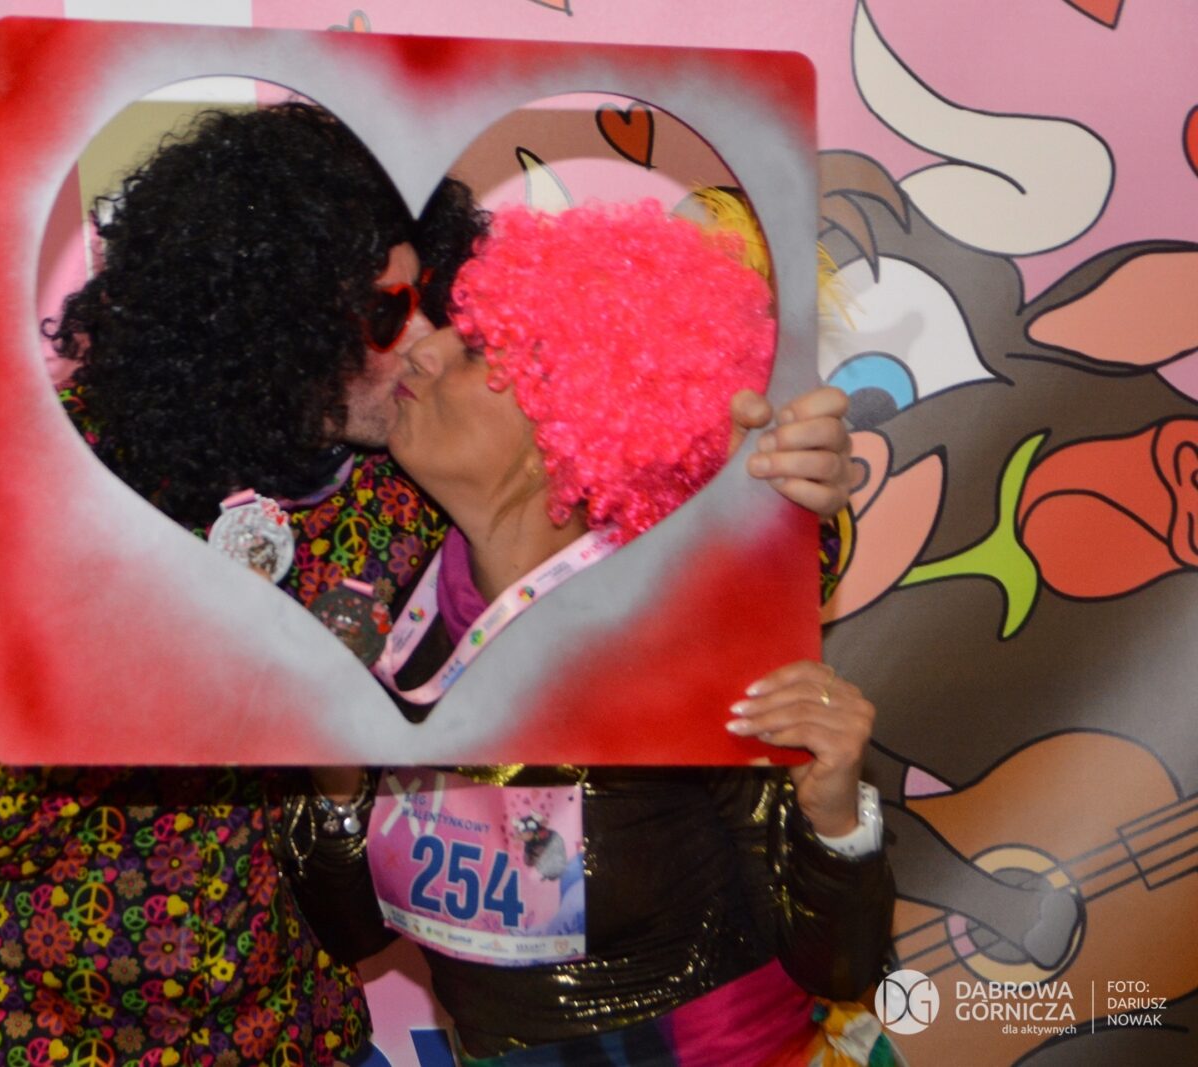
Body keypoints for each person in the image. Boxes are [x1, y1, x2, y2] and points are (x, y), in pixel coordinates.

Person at [0, 103, 479, 1067]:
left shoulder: (408, 482)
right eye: (388, 312)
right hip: (34, 1041)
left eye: (430, 300)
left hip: (293, 1036)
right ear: (268, 324)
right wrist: (143, 678)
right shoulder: (49, 475)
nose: (426, 341)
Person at [301, 199, 898, 1066]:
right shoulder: (394, 626)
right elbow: (350, 932)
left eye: (474, 350)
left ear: (574, 426)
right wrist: (333, 787)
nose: (420, 350)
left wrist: (835, 817)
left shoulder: (680, 636)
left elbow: (841, 963)